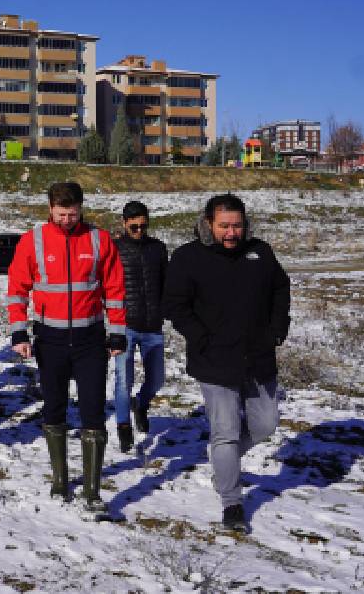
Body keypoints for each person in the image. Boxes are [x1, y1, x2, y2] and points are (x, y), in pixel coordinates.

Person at [163, 193, 290, 532]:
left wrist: (278, 329)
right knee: (226, 432)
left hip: (258, 357)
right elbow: (174, 305)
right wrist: (200, 337)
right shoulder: (188, 257)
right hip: (214, 360)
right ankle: (232, 502)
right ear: (208, 224)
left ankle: (223, 462)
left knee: (266, 424)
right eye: (224, 226)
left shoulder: (260, 253)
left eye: (237, 225)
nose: (232, 233)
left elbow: (280, 288)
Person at [6, 182, 126, 513]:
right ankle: (60, 479)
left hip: (90, 340)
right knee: (54, 408)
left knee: (93, 410)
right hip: (50, 339)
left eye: (72, 214)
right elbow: (17, 289)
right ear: (50, 208)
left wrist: (117, 333)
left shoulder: (100, 239)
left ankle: (92, 490)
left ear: (81, 208)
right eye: (61, 214)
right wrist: (19, 332)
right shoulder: (33, 240)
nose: (67, 220)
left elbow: (115, 289)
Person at [111, 201, 169, 452]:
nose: (138, 231)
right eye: (133, 227)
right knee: (124, 381)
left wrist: (167, 309)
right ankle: (123, 426)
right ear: (124, 223)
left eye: (143, 226)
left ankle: (141, 404)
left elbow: (167, 282)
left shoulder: (158, 248)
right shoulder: (114, 249)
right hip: (125, 325)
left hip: (153, 325)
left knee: (157, 379)